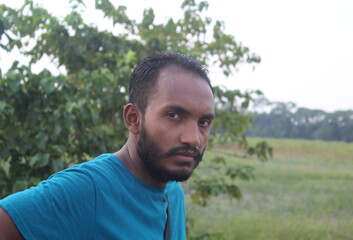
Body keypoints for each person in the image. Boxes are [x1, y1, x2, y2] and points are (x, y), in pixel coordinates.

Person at [0, 52, 215, 240]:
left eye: (203, 122)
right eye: (174, 115)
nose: (193, 139)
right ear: (133, 119)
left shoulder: (172, 193)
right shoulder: (88, 189)